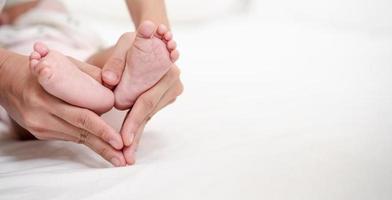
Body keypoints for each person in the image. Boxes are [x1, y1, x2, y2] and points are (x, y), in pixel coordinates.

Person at [0, 0, 183, 167]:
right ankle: (110, 84)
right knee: (94, 66)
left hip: (39, 44)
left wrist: (154, 32)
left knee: (97, 68)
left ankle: (109, 81)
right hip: (30, 49)